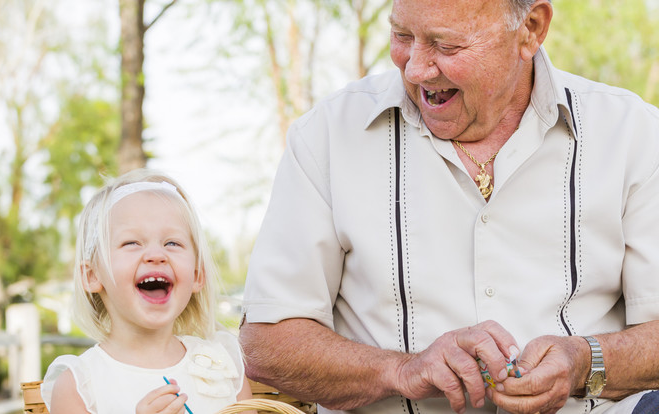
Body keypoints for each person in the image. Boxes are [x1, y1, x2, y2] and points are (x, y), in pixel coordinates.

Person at [239, 0, 659, 413]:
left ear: (531, 28)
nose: (416, 67)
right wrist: (403, 371)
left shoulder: (632, 132)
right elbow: (268, 340)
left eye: (446, 46)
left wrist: (583, 362)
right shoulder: (327, 134)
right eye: (402, 36)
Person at [41, 169, 255, 414]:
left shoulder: (222, 366)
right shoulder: (78, 386)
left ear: (197, 275)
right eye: (131, 242)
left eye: (172, 243)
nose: (156, 255)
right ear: (92, 276)